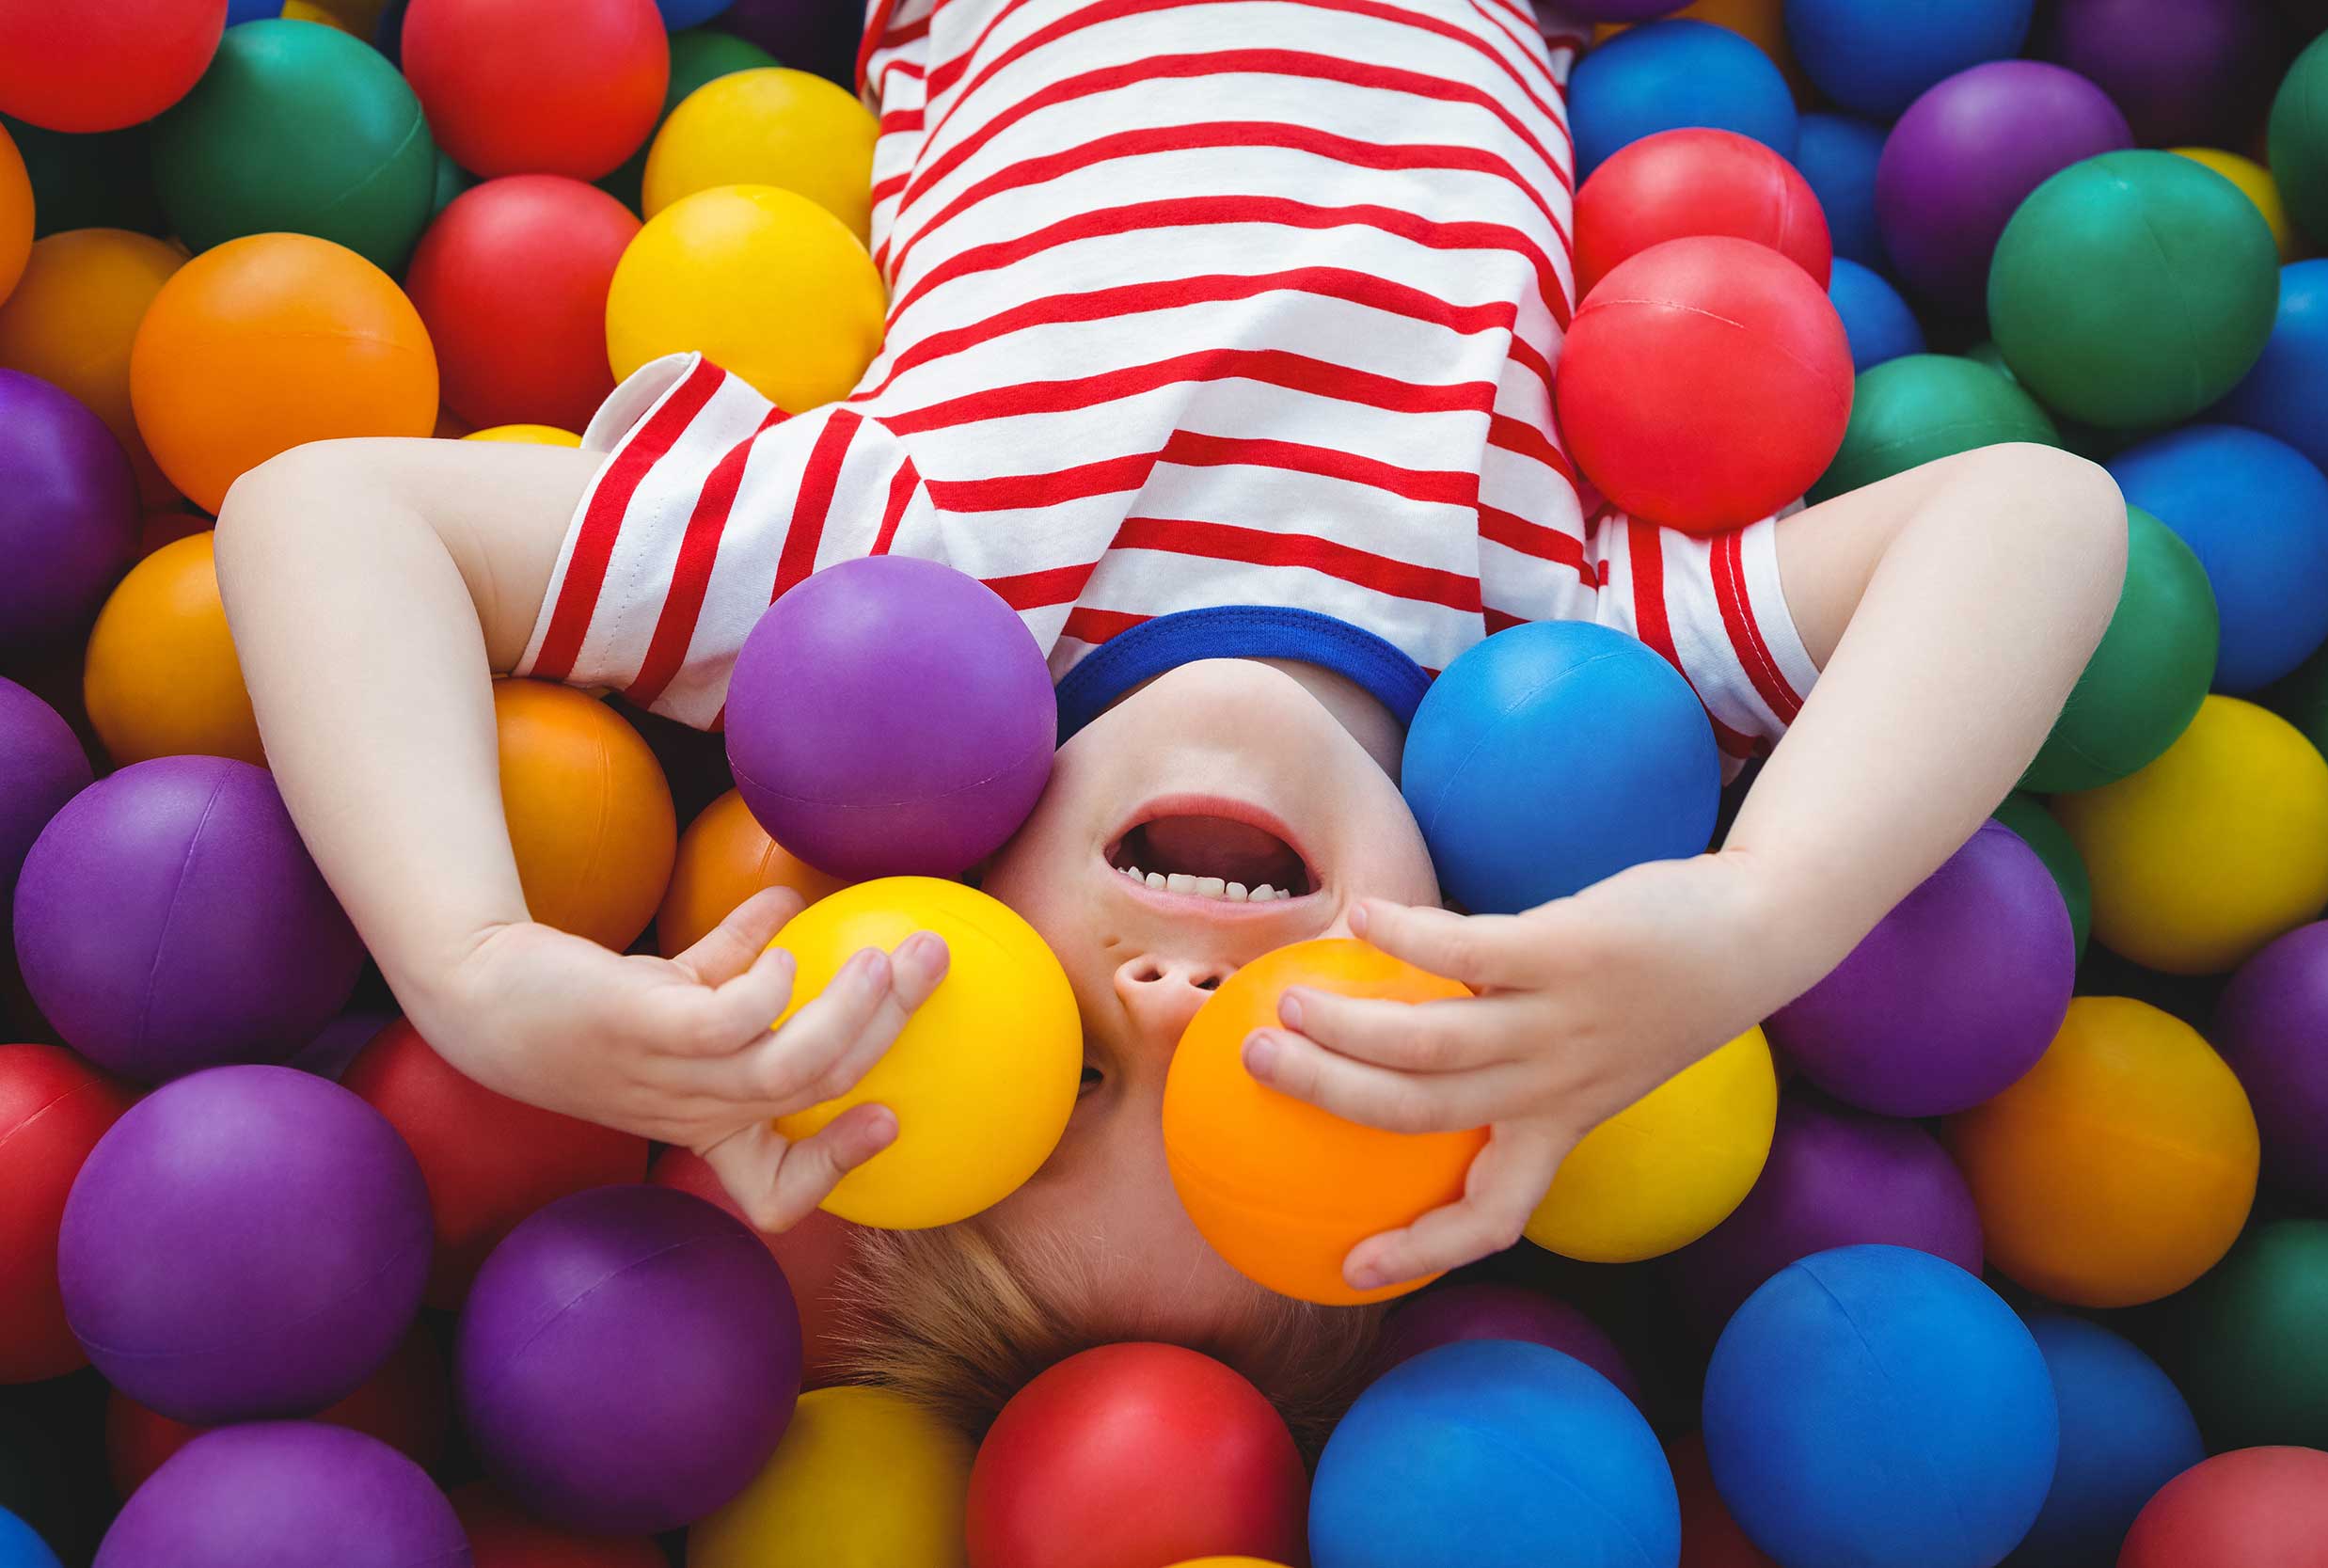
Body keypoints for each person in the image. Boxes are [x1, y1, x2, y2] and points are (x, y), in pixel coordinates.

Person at [215, 0, 2124, 1436]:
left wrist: (472, 962)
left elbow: (325, 511)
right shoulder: (1556, 662)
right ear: (1462, 1040)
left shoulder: (884, 604)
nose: (1169, 1007)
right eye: (1269, 1084)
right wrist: (1755, 918)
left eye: (1056, 1078)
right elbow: (2032, 517)